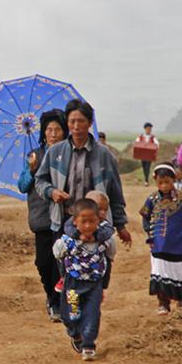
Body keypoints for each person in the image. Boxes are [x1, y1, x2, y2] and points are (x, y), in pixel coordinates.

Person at [34, 98, 132, 248]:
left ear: (90, 122)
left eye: (81, 121)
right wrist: (52, 192)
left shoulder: (104, 155)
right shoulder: (55, 152)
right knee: (67, 268)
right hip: (65, 220)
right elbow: (40, 181)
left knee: (98, 268)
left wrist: (120, 225)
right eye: (72, 121)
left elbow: (115, 193)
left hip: (97, 223)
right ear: (67, 122)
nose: (76, 126)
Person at [17, 109, 68, 322]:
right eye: (49, 129)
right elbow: (22, 186)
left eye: (57, 129)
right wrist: (31, 169)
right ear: (43, 132)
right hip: (42, 218)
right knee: (43, 262)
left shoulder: (69, 154)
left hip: (65, 216)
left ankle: (62, 303)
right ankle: (51, 296)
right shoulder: (34, 155)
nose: (53, 133)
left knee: (64, 262)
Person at [53, 198, 113, 361]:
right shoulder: (67, 241)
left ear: (98, 221)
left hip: (94, 285)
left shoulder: (104, 242)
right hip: (73, 284)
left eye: (92, 221)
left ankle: (88, 345)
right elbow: (57, 253)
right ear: (75, 222)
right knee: (71, 314)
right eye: (83, 221)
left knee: (92, 314)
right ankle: (75, 334)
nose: (88, 226)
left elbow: (110, 257)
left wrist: (104, 284)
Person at [140, 163, 182, 315]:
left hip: (179, 243)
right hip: (159, 244)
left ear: (173, 180)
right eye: (160, 182)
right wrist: (149, 233)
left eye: (167, 182)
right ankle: (163, 303)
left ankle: (181, 300)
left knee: (180, 272)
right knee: (160, 273)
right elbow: (145, 216)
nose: (164, 186)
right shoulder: (152, 199)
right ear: (156, 181)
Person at [135, 122, 159, 187]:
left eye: (150, 129)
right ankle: (146, 179)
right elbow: (137, 143)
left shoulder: (153, 137)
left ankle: (146, 180)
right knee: (144, 167)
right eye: (148, 129)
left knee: (148, 167)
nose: (149, 130)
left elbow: (157, 144)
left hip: (149, 155)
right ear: (145, 129)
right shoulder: (141, 136)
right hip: (143, 155)